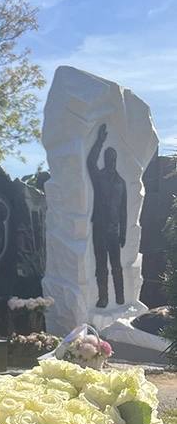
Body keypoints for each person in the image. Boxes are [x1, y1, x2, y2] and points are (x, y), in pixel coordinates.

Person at [87, 123, 128, 308]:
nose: (111, 161)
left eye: (113, 158)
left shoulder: (121, 182)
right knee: (101, 266)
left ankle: (120, 297)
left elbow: (123, 210)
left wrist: (123, 233)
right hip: (99, 228)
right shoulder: (99, 177)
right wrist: (99, 142)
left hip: (114, 230)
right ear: (105, 159)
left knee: (117, 266)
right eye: (108, 158)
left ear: (116, 160)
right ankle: (103, 298)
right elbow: (90, 162)